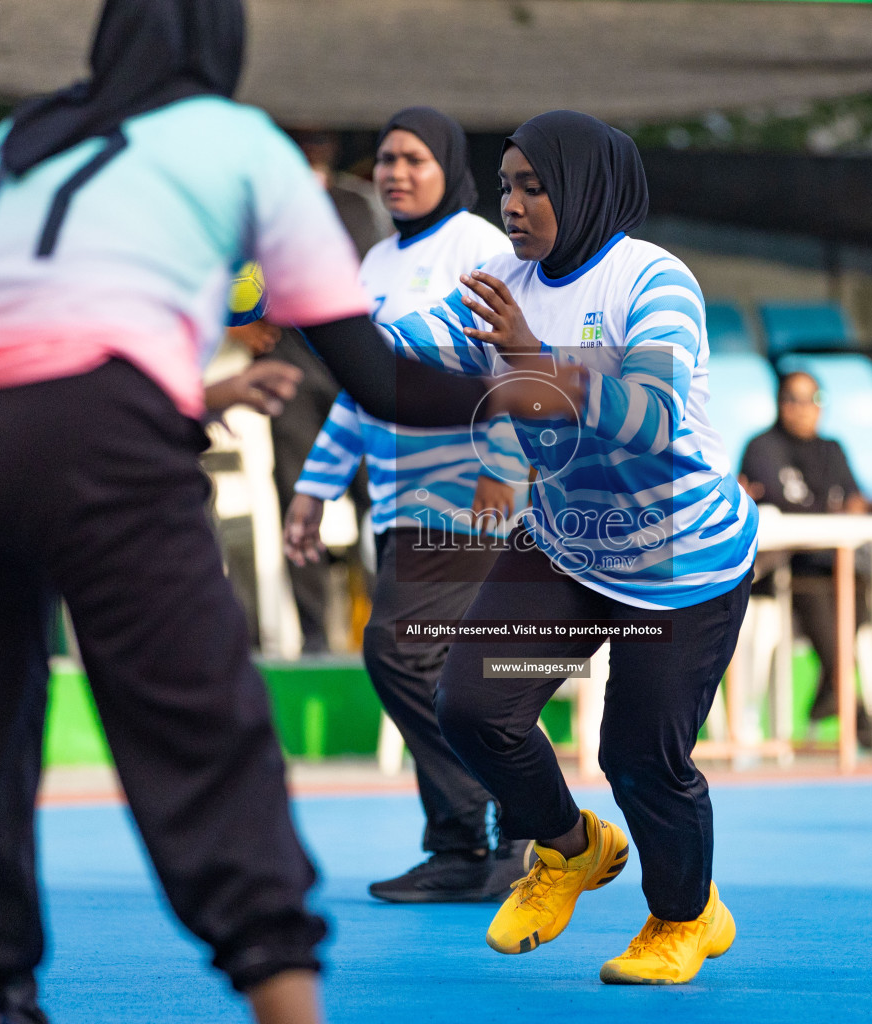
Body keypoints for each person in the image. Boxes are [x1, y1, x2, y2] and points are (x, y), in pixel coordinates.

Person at [0, 3, 566, 1022]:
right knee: (200, 722)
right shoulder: (241, 143)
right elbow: (375, 379)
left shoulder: (18, 135)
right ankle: (283, 992)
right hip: (92, 424)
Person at [378, 110, 755, 986]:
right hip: (566, 546)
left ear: (583, 190)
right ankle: (569, 847)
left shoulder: (654, 280)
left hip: (679, 562)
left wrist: (533, 357)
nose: (511, 204)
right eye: (505, 185)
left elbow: (653, 415)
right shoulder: (497, 281)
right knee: (471, 708)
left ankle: (684, 917)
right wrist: (299, 305)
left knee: (638, 756)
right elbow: (394, 351)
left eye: (532, 187)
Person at [285, 107, 532, 903]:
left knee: (399, 654)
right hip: (396, 500)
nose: (395, 172)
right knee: (441, 670)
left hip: (464, 497)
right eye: (385, 159)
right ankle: (474, 842)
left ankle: (501, 815)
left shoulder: (481, 247)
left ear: (448, 165)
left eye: (413, 159)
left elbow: (517, 362)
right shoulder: (373, 265)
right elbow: (360, 389)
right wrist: (315, 488)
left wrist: (502, 461)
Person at [266, 131, 386, 654]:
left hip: (354, 372)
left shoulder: (356, 204)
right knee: (296, 499)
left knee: (378, 499)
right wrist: (244, 323)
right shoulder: (266, 205)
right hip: (289, 369)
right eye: (302, 137)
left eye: (321, 138)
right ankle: (316, 637)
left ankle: (391, 629)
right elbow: (238, 280)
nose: (314, 147)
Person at [739, 369, 872, 745]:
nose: (803, 409)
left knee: (858, 587)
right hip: (780, 568)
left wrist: (841, 509)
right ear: (780, 404)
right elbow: (783, 505)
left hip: (831, 561)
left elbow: (854, 501)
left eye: (812, 400)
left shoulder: (832, 449)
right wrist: (830, 509)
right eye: (793, 400)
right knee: (814, 589)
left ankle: (834, 691)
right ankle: (854, 707)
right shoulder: (762, 447)